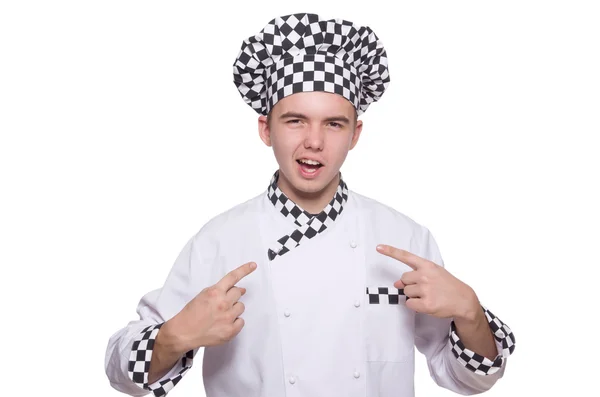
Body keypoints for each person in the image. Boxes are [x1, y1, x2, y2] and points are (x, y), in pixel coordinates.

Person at [104, 12, 516, 397]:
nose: (314, 141)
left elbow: (470, 377)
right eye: (295, 120)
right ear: (266, 129)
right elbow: (121, 369)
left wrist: (469, 309)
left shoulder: (404, 238)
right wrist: (177, 336)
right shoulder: (220, 240)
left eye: (333, 123)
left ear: (355, 134)